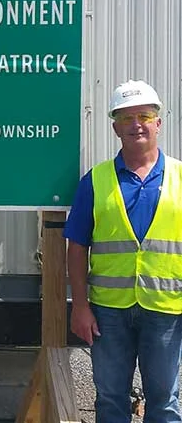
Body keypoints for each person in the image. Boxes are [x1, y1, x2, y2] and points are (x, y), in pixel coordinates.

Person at [65, 80, 182, 423]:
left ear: (158, 122)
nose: (136, 124)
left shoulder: (180, 178)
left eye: (144, 115)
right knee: (111, 399)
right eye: (126, 118)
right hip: (108, 313)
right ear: (115, 126)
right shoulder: (96, 180)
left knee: (165, 401)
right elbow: (77, 247)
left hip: (165, 309)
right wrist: (80, 307)